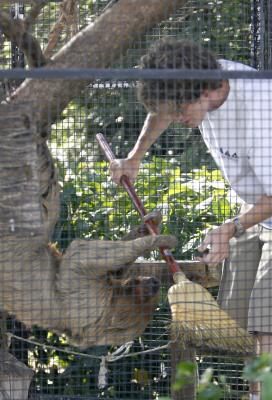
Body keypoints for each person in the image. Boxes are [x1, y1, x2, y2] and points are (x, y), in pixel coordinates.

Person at [109, 38, 272, 400]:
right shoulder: (199, 79)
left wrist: (230, 229)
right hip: (258, 211)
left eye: (181, 110)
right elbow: (163, 109)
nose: (179, 120)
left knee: (267, 325)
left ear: (208, 92)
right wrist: (134, 157)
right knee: (241, 322)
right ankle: (257, 392)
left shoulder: (262, 107)